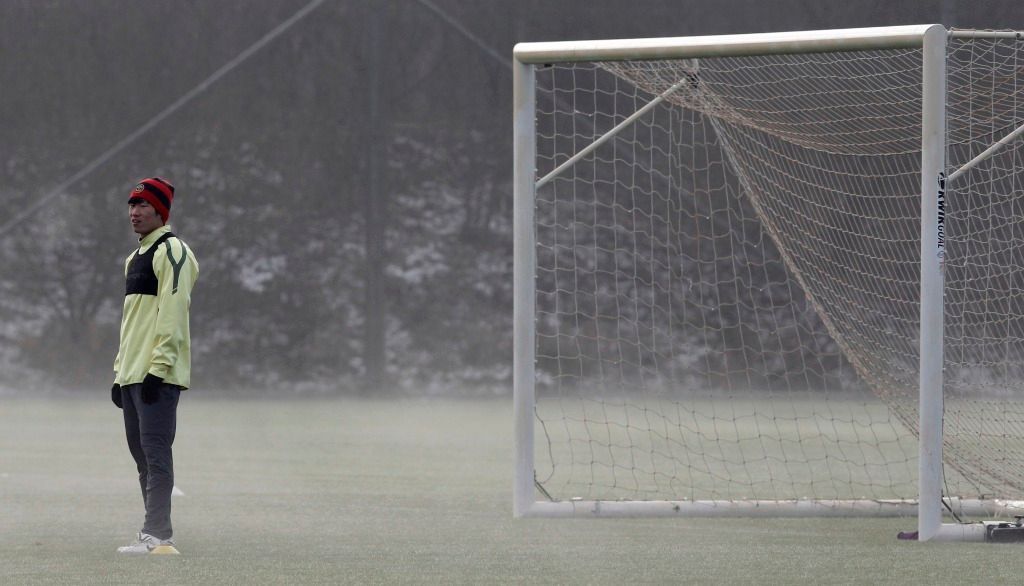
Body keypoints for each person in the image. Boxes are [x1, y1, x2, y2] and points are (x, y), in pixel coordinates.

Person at [111, 177, 198, 554]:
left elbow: (173, 313)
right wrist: (120, 372)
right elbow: (132, 322)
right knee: (142, 457)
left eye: (143, 205)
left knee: (156, 453)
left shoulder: (173, 250)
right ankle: (154, 532)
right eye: (132, 205)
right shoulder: (134, 258)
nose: (135, 212)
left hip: (156, 375)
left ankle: (158, 536)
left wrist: (158, 368)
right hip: (133, 375)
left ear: (161, 211)